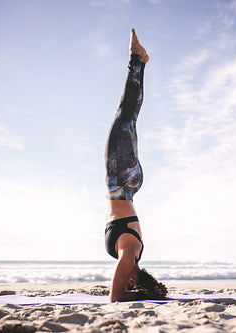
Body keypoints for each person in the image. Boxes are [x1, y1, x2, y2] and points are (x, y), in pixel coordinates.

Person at [104, 29, 167, 302]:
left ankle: (138, 61)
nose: (123, 284)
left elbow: (118, 293)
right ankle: (137, 60)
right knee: (125, 115)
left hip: (125, 185)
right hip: (121, 179)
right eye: (130, 285)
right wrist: (136, 296)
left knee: (127, 117)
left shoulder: (130, 253)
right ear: (133, 280)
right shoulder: (129, 252)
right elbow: (115, 298)